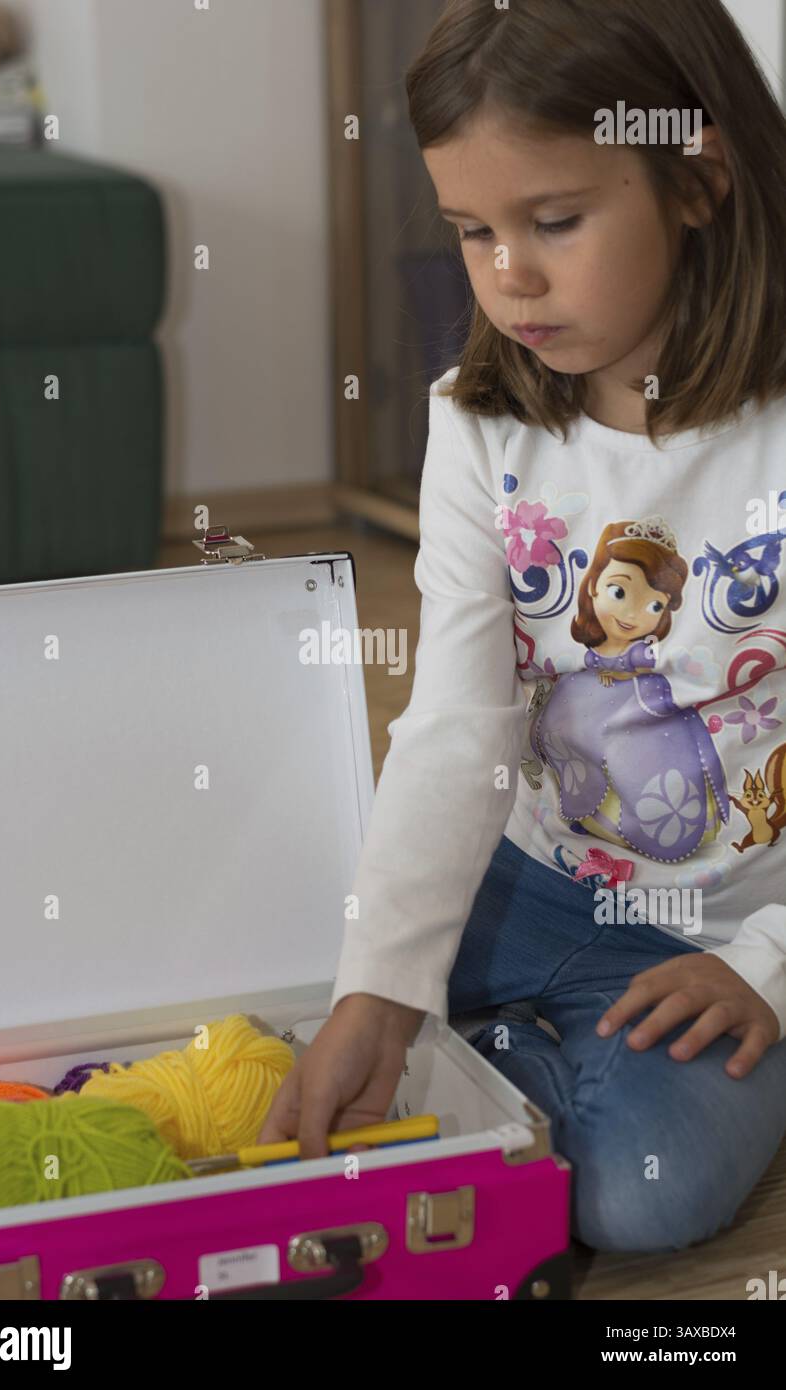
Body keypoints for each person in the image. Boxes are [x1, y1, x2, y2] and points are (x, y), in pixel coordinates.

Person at [259, 0, 786, 1254]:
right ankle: (477, 1046)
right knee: (323, 977)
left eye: (553, 221)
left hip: (719, 927)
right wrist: (382, 994)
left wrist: (763, 966)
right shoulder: (478, 421)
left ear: (696, 177)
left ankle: (492, 1062)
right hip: (527, 878)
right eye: (471, 232)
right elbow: (454, 717)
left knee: (640, 1196)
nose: (509, 277)